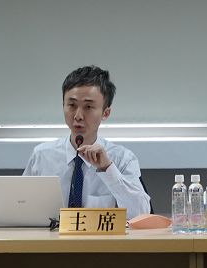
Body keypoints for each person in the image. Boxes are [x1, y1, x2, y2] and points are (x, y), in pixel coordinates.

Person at [24, 65, 151, 219]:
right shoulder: (42, 156)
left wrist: (108, 169)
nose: (78, 116)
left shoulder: (122, 159)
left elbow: (142, 214)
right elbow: (21, 206)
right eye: (71, 105)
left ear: (105, 113)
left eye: (88, 107)